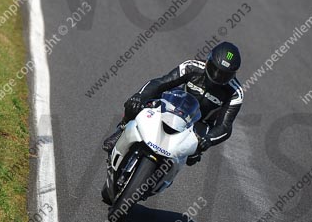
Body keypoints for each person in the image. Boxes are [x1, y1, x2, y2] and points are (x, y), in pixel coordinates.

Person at [102, 42, 244, 164]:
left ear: (233, 74)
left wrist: (209, 139)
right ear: (208, 61)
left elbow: (225, 126)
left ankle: (163, 174)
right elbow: (161, 83)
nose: (217, 76)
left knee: (192, 155)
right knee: (137, 103)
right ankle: (122, 129)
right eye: (214, 69)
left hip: (200, 123)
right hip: (176, 105)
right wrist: (140, 96)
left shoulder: (235, 92)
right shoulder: (191, 67)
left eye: (224, 75)